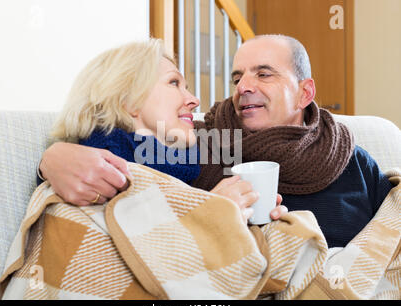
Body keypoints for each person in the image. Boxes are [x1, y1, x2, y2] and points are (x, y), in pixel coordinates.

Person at [39, 35, 393, 248]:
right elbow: (132, 184)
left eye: (263, 73)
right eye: (237, 77)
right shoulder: (201, 142)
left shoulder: (352, 160)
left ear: (305, 92)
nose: (243, 87)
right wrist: (54, 157)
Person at [42, 38, 286, 224]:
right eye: (174, 83)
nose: (194, 99)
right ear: (130, 101)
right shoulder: (94, 174)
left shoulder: (183, 162)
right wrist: (209, 213)